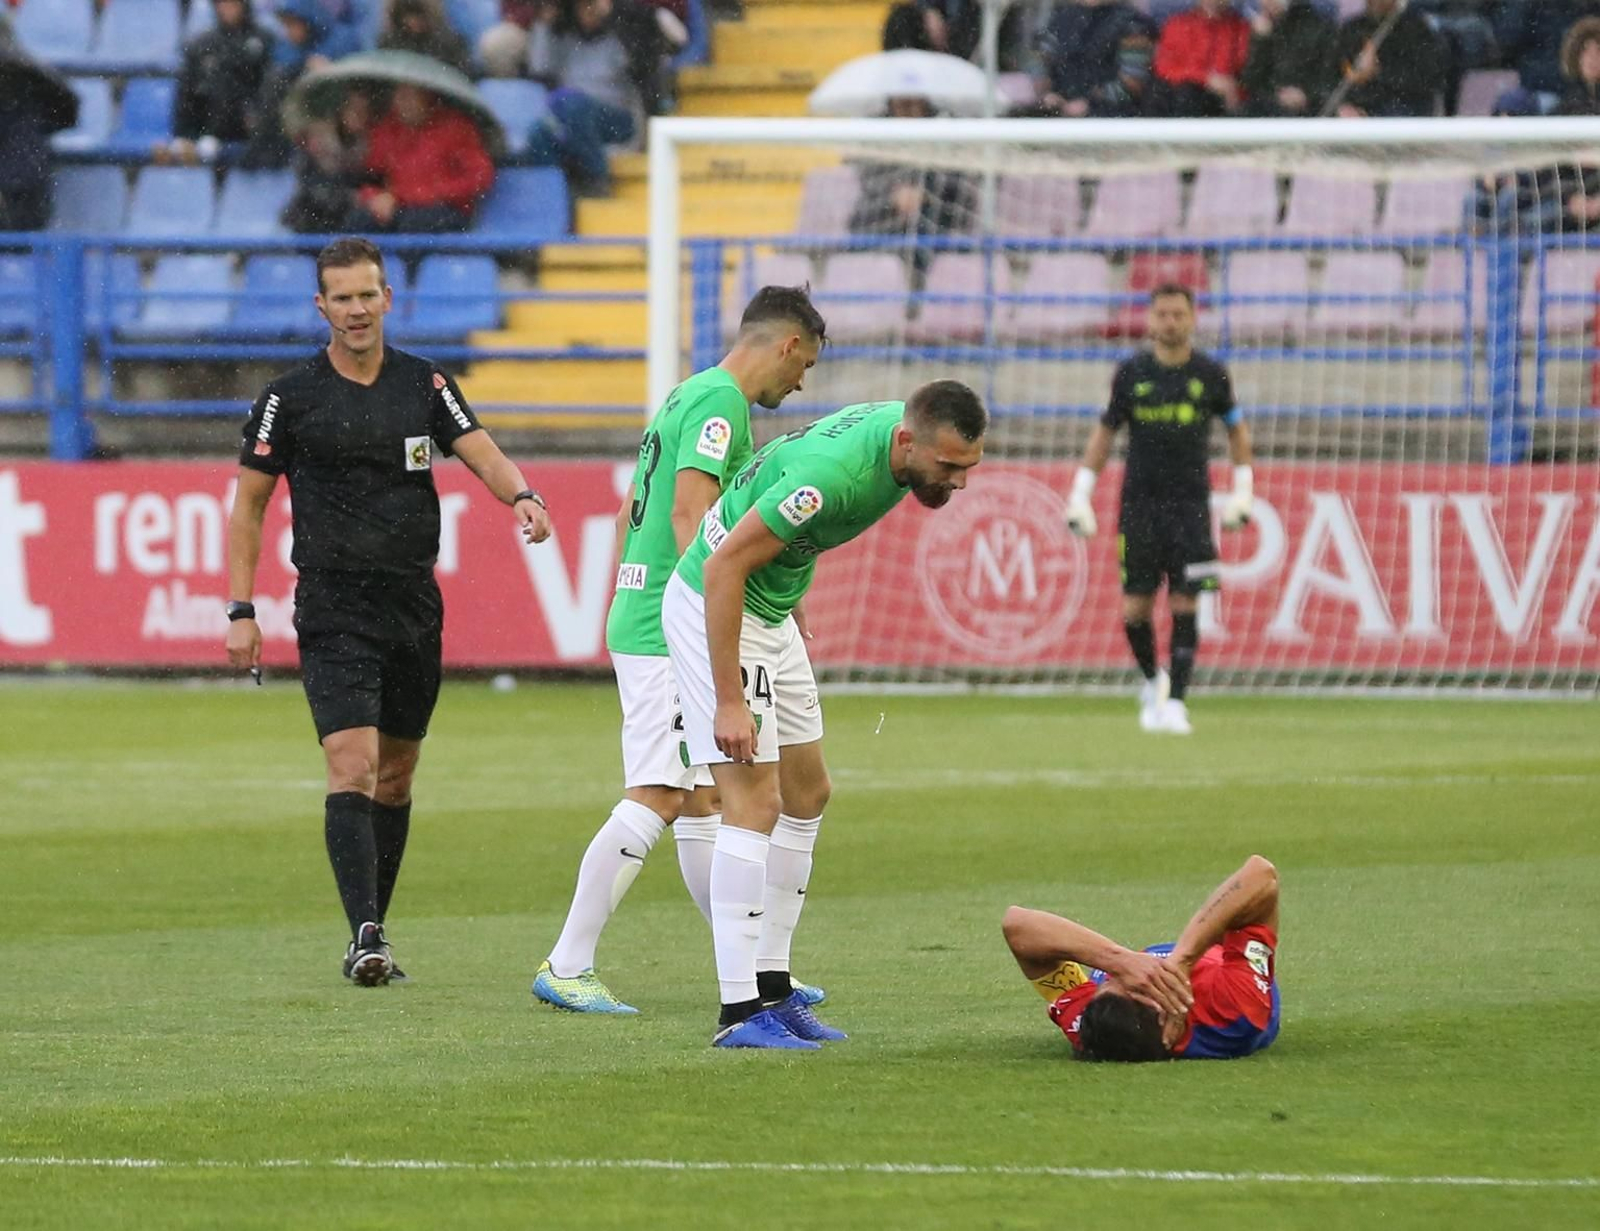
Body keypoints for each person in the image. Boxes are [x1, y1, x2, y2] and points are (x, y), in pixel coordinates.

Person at [225, 237, 554, 986]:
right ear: (322, 307)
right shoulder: (291, 397)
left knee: (397, 776)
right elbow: (247, 507)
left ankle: (376, 923)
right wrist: (241, 607)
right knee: (353, 763)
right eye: (341, 297)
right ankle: (364, 934)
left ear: (388, 299)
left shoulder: (423, 383)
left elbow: (478, 447)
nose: (356, 309)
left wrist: (523, 495)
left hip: (413, 603)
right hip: (334, 605)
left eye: (367, 294)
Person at [662, 383, 988, 1049]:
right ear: (907, 442)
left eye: (968, 469)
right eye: (949, 467)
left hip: (772, 606)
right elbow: (723, 565)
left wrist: (790, 591)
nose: (957, 483)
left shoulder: (896, 436)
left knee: (808, 792)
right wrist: (728, 698)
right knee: (753, 801)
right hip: (719, 607)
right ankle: (737, 1012)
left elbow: (779, 468)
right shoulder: (831, 480)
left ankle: (775, 989)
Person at [533, 286, 828, 1015]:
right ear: (786, 344)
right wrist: (715, 612)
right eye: (807, 364)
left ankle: (757, 969)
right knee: (662, 791)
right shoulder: (722, 403)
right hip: (672, 621)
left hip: (648, 608)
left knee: (702, 796)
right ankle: (568, 962)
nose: (802, 383)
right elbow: (691, 510)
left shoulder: (687, 394)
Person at [1064, 284, 1253, 736]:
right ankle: (1152, 682)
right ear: (1150, 320)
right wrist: (1080, 493)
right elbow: (1105, 433)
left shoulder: (1211, 373)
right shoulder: (1131, 373)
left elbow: (1237, 431)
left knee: (1187, 603)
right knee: (1135, 608)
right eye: (1162, 314)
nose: (1170, 322)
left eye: (1178, 314)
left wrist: (1243, 490)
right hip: (1140, 506)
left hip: (1191, 506)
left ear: (1192, 319)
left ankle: (1178, 704)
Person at [1002, 854, 1280, 1062]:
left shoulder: (1094, 1024)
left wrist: (1118, 960)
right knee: (1242, 913)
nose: (1120, 976)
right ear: (1167, 1020)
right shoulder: (1234, 1010)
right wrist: (1183, 959)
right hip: (1224, 957)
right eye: (1136, 983)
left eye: (1108, 981)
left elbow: (1017, 926)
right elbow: (1261, 875)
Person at [526, 0, 668, 196]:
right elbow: (539, 67)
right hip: (573, 116)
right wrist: (544, 22)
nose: (589, 13)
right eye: (583, 7)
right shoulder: (564, 37)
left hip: (618, 120)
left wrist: (615, 15)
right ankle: (556, 199)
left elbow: (645, 63)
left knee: (574, 106)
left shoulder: (622, 36)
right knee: (539, 132)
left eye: (592, 5)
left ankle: (597, 179)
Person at [346, 84, 494, 233]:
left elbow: (480, 177)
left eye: (409, 96)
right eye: (398, 96)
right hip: (399, 207)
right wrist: (374, 197)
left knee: (414, 224)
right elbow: (372, 175)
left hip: (444, 209)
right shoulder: (388, 128)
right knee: (360, 220)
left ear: (428, 97)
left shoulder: (457, 128)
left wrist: (414, 195)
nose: (401, 102)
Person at [159, 0, 274, 165]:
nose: (226, 9)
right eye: (221, 4)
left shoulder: (264, 40)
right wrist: (185, 133)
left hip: (247, 125)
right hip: (206, 121)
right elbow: (187, 92)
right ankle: (189, 140)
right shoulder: (202, 45)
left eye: (232, 4)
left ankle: (210, 139)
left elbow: (267, 88)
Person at [1034, 0, 1156, 119]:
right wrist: (1047, 95)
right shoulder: (1061, 18)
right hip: (1058, 117)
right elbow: (1040, 64)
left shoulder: (1133, 24)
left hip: (1113, 122)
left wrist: (1090, 103)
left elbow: (1133, 82)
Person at [1330, 0, 1445, 118]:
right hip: (1357, 105)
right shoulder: (1352, 28)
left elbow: (1428, 78)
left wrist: (1378, 71)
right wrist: (1344, 105)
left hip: (1400, 105)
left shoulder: (1415, 29)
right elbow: (1333, 75)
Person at [282, 87, 374, 234]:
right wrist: (352, 199)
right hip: (311, 219)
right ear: (341, 110)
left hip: (348, 219)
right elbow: (312, 188)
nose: (361, 117)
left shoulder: (369, 142)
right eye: (355, 111)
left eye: (365, 113)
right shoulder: (316, 139)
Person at [1150, 0, 1250, 117]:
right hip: (1182, 96)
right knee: (1180, 92)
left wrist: (1231, 88)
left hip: (1221, 99)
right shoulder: (1178, 24)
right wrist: (1205, 78)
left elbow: (1243, 70)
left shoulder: (1239, 28)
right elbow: (1164, 67)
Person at [1238, 0, 1335, 118]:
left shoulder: (1319, 27)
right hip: (1266, 106)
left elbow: (1328, 77)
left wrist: (1306, 94)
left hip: (1308, 110)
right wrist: (1261, 41)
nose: (1266, 3)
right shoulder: (1261, 28)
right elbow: (1250, 81)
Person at [378, 0, 472, 73]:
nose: (413, 22)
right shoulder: (389, 43)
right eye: (409, 16)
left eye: (419, 15)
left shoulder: (449, 45)